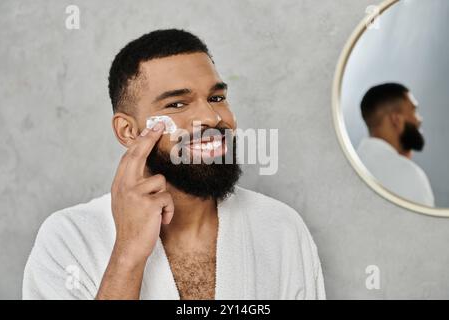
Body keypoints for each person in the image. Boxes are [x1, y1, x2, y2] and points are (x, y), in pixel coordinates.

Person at [22, 29, 325, 300]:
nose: (211, 117)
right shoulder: (68, 239)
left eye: (217, 97)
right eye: (177, 104)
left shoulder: (280, 228)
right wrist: (127, 254)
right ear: (128, 131)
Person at [357, 83, 435, 207]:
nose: (419, 120)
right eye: (414, 110)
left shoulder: (351, 166)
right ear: (396, 120)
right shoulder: (409, 176)